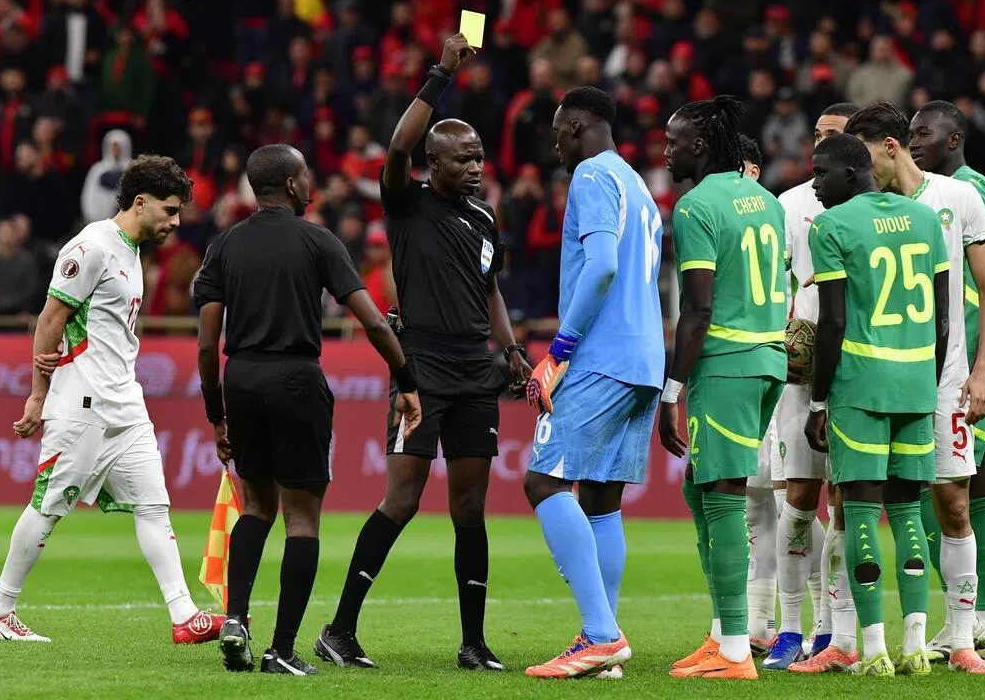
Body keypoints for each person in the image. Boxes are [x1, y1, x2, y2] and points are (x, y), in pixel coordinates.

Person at [315, 34, 531, 673]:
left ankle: (473, 643)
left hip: (475, 369)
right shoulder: (407, 204)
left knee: (470, 506)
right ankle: (340, 630)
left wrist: (512, 350)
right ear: (432, 163)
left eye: (479, 158)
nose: (475, 167)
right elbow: (399, 145)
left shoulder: (486, 218)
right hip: (421, 367)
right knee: (403, 498)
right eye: (463, 158)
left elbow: (489, 288)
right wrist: (441, 73)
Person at [192, 144, 420, 676]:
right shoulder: (319, 240)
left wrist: (215, 413)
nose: (311, 181)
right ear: (293, 185)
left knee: (255, 508)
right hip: (297, 378)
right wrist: (406, 379)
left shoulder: (224, 246)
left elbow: (206, 344)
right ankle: (281, 650)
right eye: (306, 174)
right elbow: (375, 322)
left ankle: (235, 620)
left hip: (241, 378)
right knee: (302, 517)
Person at [0, 155, 224, 645]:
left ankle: (183, 616)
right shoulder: (90, 246)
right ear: (141, 202)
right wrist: (37, 396)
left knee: (154, 505)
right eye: (170, 210)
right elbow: (50, 319)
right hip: (83, 402)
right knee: (48, 505)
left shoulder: (131, 252)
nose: (175, 222)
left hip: (125, 402)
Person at [848, 101, 985, 675]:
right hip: (878, 382)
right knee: (864, 505)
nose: (861, 173)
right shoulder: (861, 207)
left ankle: (962, 639)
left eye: (867, 158)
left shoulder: (957, 198)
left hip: (945, 382)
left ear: (890, 148)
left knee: (953, 501)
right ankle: (848, 639)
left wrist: (982, 368)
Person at [519, 86, 664, 679]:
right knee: (602, 500)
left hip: (602, 356)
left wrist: (559, 350)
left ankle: (601, 634)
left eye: (558, 129)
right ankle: (600, 642)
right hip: (645, 359)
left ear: (578, 126)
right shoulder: (640, 187)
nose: (554, 141)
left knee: (543, 481)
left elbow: (602, 265)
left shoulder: (590, 177)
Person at [803, 132, 950, 677]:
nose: (815, 184)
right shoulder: (925, 219)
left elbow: (834, 321)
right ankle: (915, 645)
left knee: (861, 509)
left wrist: (819, 400)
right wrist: (925, 382)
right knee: (909, 509)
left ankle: (874, 650)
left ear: (851, 171)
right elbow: (942, 319)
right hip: (915, 384)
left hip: (861, 387)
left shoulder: (832, 227)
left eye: (821, 172)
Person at [659, 96, 787, 681]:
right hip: (768, 359)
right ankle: (721, 634)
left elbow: (699, 307)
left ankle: (736, 650)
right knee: (700, 487)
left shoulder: (696, 207)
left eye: (675, 140)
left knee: (722, 495)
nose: (667, 150)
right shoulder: (765, 201)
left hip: (727, 363)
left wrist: (670, 390)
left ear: (702, 146)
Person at [909, 99, 985, 667]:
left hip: (976, 358)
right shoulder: (928, 193)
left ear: (954, 140)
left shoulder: (971, 186)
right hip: (961, 358)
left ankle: (981, 625)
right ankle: (979, 624)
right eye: (911, 132)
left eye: (925, 132)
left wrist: (984, 353)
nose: (915, 140)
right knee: (970, 489)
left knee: (952, 488)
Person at [765, 103, 862, 673]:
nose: (818, 146)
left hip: (858, 369)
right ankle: (789, 628)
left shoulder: (878, 209)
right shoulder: (790, 204)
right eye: (817, 135)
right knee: (797, 500)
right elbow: (775, 281)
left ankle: (834, 633)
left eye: (833, 137)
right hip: (801, 370)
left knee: (848, 506)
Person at [737, 130, 782, 656]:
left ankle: (825, 617)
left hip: (766, 369)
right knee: (755, 504)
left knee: (783, 501)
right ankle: (758, 622)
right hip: (754, 366)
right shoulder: (774, 210)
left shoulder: (774, 211)